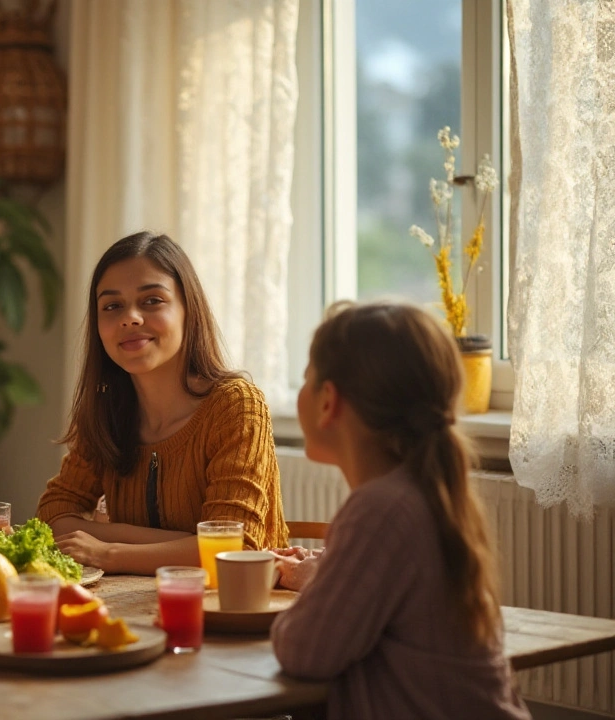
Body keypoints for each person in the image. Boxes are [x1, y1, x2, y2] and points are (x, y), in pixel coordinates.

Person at [270, 302, 530, 719]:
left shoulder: (380, 510)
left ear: (328, 401)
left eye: (306, 378)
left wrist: (318, 587)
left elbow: (302, 650)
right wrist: (324, 575)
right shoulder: (421, 494)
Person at [35, 231, 287, 575]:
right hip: (132, 606)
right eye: (112, 306)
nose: (130, 318)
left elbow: (234, 547)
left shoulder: (236, 405)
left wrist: (108, 551)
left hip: (236, 614)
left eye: (152, 300)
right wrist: (185, 542)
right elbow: (52, 516)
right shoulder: (107, 409)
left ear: (188, 309)